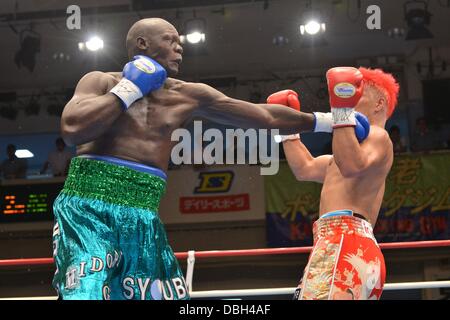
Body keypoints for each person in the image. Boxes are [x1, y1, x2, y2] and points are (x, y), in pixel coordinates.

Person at [53, 18, 336, 300]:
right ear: (143, 43)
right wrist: (130, 88)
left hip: (143, 214)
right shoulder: (100, 80)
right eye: (170, 40)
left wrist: (330, 121)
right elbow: (73, 129)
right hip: (87, 208)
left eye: (180, 42)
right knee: (86, 292)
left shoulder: (188, 95)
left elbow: (265, 115)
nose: (180, 48)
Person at [269, 67, 399, 300]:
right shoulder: (338, 159)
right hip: (336, 244)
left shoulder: (379, 137)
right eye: (348, 93)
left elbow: (351, 166)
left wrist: (341, 110)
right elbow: (304, 168)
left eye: (358, 95)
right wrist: (287, 130)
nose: (351, 98)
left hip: (346, 243)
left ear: (379, 104)